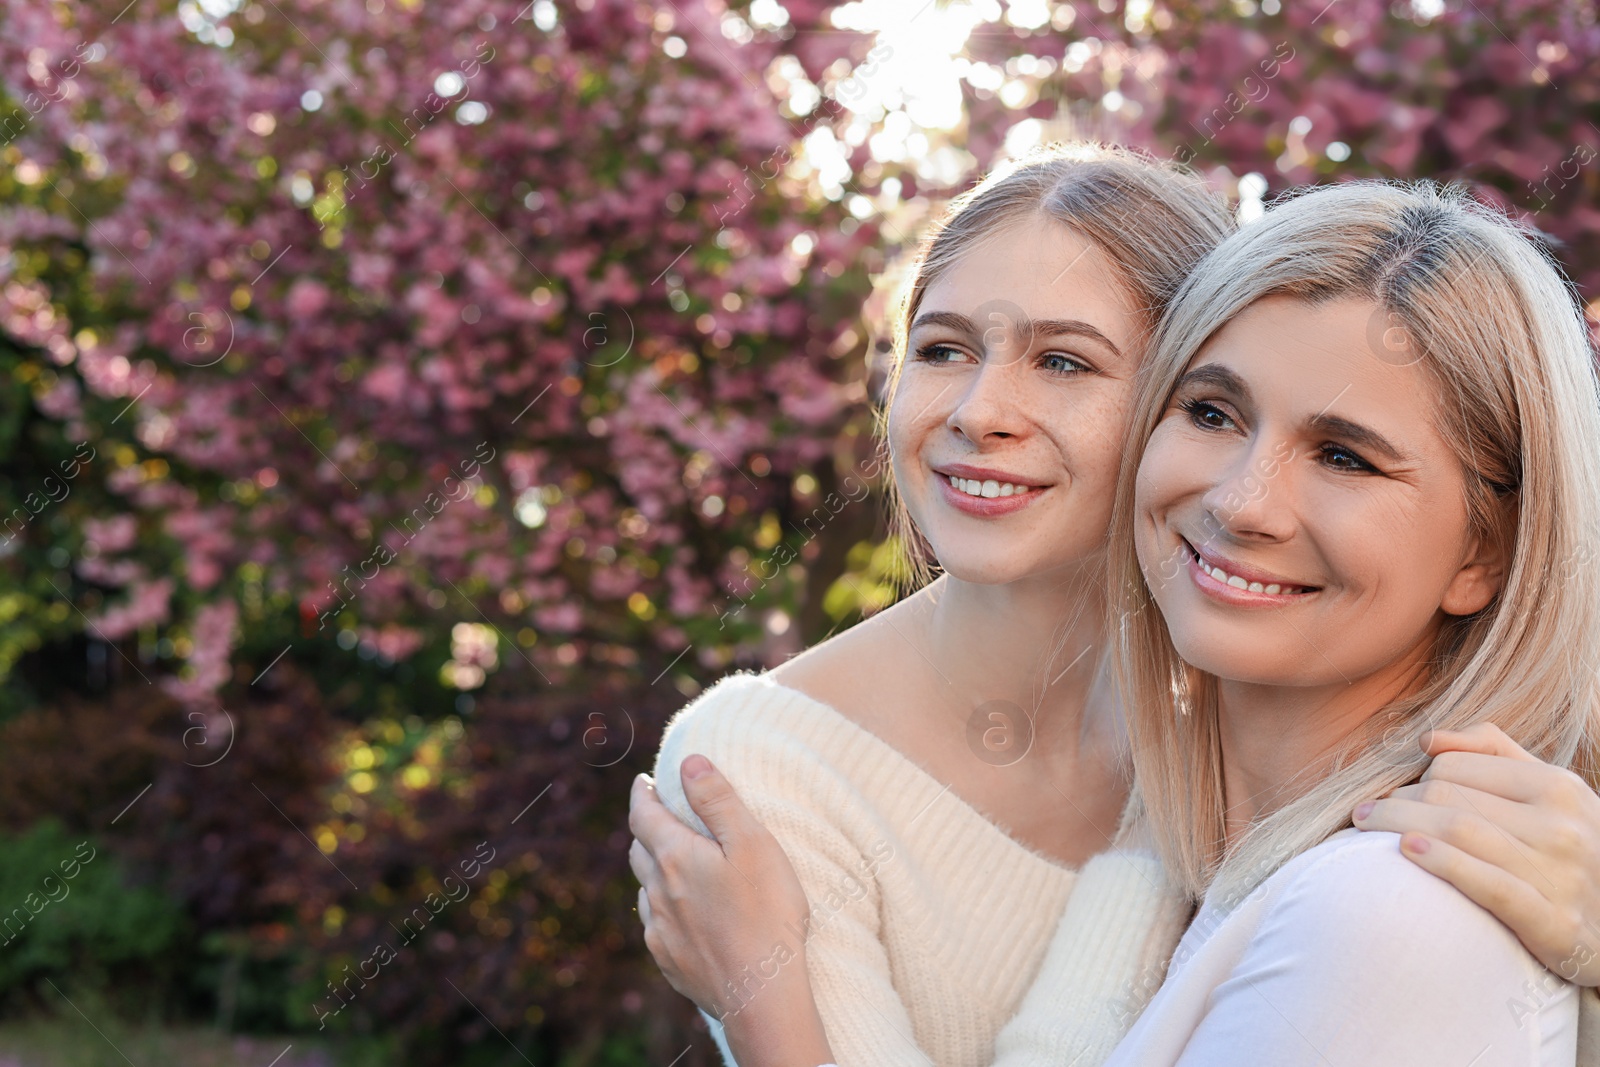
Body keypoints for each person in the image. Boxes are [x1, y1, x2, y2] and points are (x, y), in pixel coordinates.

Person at [628, 155, 1600, 1066]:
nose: (977, 410)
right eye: (941, 347)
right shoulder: (760, 770)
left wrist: (774, 1020)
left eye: (1064, 362)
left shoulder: (1356, 835)